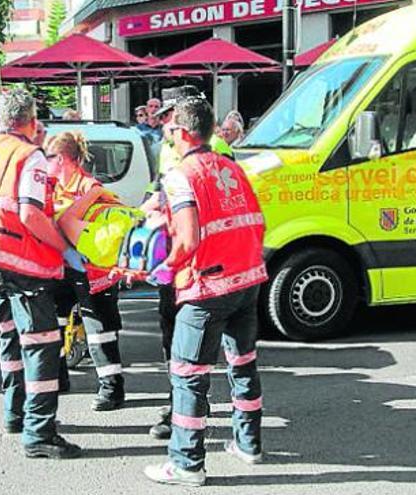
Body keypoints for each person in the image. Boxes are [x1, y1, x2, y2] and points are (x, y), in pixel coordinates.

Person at [143, 96, 267, 486]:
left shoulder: (181, 175)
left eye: (169, 130)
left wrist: (162, 268)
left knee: (188, 376)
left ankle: (186, 463)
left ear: (181, 132)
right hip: (247, 280)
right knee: (243, 364)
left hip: (206, 286)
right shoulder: (232, 166)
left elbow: (189, 238)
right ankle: (248, 445)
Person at [0, 88, 83, 459]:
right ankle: (40, 433)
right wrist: (66, 249)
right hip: (18, 261)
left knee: (10, 336)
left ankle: (15, 414)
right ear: (31, 121)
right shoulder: (30, 157)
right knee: (42, 344)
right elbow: (30, 213)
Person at [142, 85, 236, 440]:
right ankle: (180, 400)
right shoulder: (166, 149)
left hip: (207, 259)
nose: (163, 121)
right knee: (173, 333)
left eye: (168, 114)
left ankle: (189, 410)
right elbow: (158, 193)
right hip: (176, 255)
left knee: (206, 338)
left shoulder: (219, 149)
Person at [46, 131, 131, 411]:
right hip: (63, 268)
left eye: (48, 157)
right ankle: (58, 377)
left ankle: (112, 389)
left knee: (100, 332)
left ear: (60, 159)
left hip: (93, 272)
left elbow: (65, 221)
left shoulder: (90, 187)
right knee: (53, 325)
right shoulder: (53, 186)